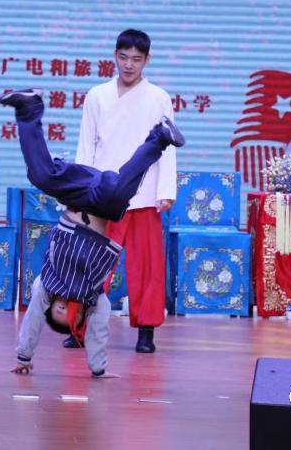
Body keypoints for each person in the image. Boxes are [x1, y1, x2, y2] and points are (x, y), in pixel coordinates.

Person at [0, 89, 183, 376]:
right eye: (68, 314)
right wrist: (98, 369)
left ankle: (28, 108)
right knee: (120, 192)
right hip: (103, 202)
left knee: (41, 176)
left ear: (50, 306)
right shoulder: (95, 299)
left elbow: (33, 321)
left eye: (57, 311)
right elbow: (98, 335)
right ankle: (158, 138)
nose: (64, 308)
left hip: (77, 193)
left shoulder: (45, 287)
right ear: (80, 315)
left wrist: (24, 356)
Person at [75, 29, 177, 353]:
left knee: (146, 266)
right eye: (123, 57)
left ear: (147, 60)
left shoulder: (159, 97)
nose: (129, 65)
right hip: (105, 192)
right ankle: (77, 326)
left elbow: (168, 147)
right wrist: (81, 189)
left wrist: (166, 189)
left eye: (136, 59)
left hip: (144, 193)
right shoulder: (97, 95)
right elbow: (86, 144)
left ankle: (146, 331)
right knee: (92, 261)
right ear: (115, 56)